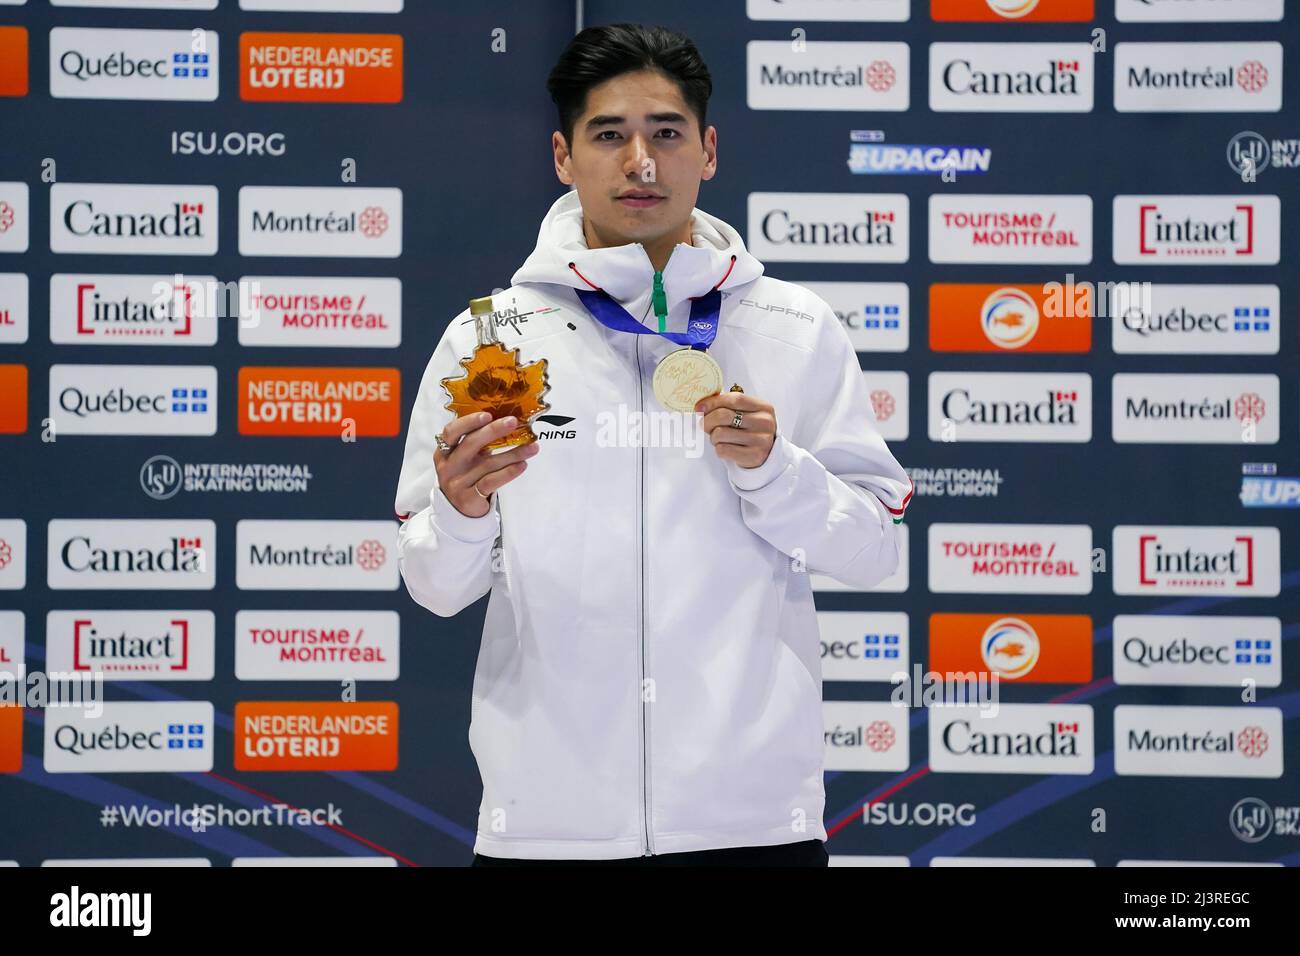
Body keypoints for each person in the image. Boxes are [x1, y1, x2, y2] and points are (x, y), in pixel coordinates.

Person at [393, 23, 912, 866]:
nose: (641, 162)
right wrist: (460, 510)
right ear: (563, 156)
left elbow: (872, 550)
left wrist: (775, 471)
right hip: (546, 833)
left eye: (666, 133)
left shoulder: (793, 328)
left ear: (708, 150)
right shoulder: (491, 338)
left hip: (752, 828)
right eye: (610, 135)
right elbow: (434, 588)